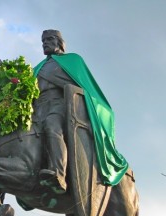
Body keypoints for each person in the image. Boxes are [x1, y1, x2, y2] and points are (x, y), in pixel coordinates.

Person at [34, 29, 128, 194]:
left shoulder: (73, 61)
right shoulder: (38, 68)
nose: (45, 43)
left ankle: (58, 174)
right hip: (39, 108)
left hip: (60, 106)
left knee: (52, 127)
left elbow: (85, 89)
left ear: (59, 43)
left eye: (49, 39)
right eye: (43, 41)